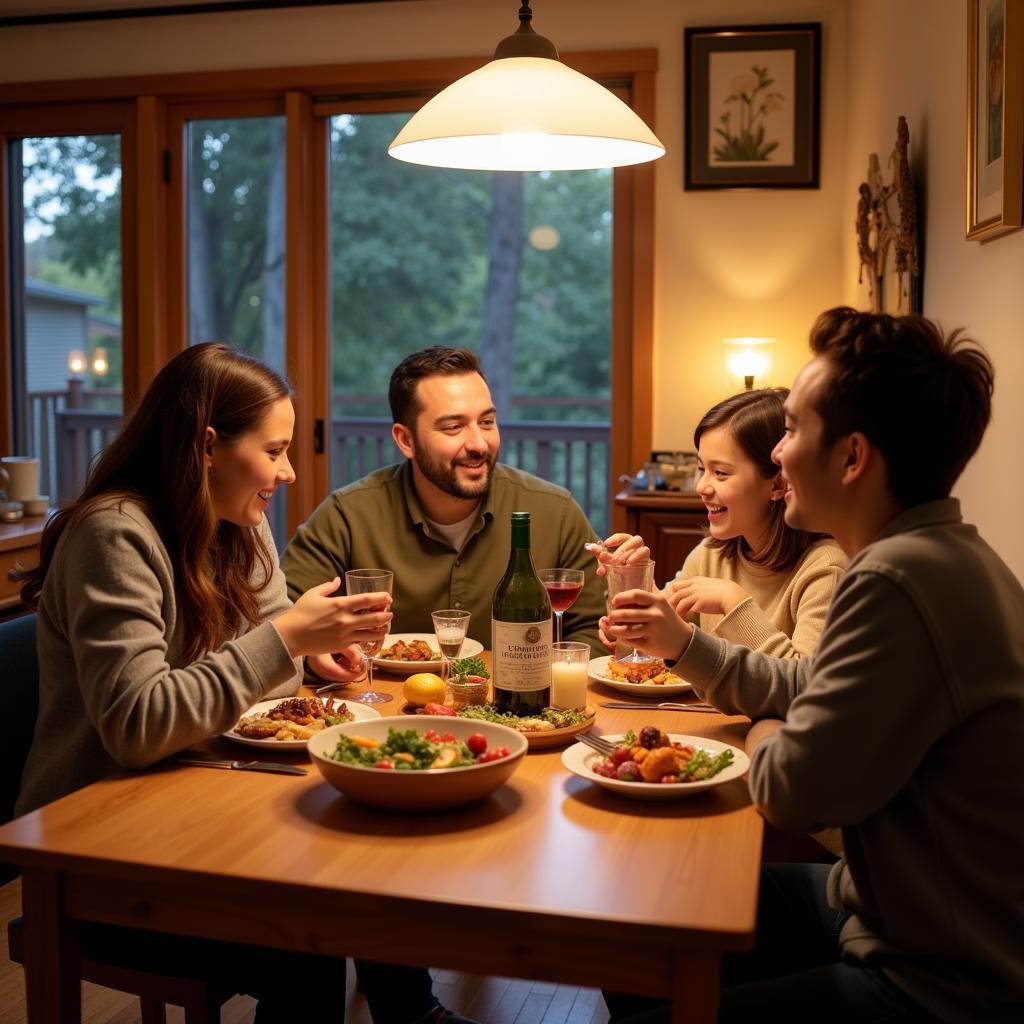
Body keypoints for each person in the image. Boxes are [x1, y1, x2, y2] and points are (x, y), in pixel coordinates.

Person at [16, 342, 474, 1024]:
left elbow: (270, 645)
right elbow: (138, 725)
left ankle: (411, 1013)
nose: (289, 472)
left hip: (190, 795)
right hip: (99, 843)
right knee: (308, 941)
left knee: (361, 855)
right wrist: (292, 639)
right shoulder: (114, 536)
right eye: (275, 450)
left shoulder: (238, 525)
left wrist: (314, 655)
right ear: (207, 445)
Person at [605, 308, 1024, 1023]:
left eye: (792, 429)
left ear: (852, 457)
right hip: (871, 905)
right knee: (639, 915)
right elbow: (809, 683)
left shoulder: (893, 578)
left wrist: (766, 727)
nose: (777, 456)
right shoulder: (947, 554)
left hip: (938, 979)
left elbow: (792, 792)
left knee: (650, 952)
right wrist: (684, 645)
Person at [280, 346, 604, 673]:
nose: (479, 443)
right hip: (385, 714)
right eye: (453, 427)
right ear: (405, 440)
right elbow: (278, 623)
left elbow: (598, 629)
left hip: (518, 712)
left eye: (487, 421)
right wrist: (310, 657)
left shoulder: (554, 512)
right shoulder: (348, 517)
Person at [594, 388, 845, 660]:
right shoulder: (711, 554)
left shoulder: (826, 569)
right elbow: (646, 648)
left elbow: (805, 687)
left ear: (777, 484)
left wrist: (734, 603)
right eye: (703, 469)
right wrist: (632, 588)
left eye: (721, 473)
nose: (702, 486)